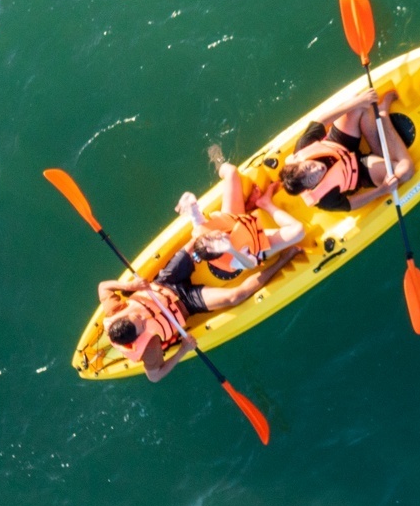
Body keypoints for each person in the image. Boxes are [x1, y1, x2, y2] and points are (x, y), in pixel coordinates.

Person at [97, 250, 289, 381]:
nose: (141, 317)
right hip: (187, 303)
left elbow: (103, 286)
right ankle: (283, 259)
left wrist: (130, 287)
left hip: (166, 282)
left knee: (192, 246)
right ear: (140, 335)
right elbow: (154, 376)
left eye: (135, 316)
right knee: (235, 296)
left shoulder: (114, 311)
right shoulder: (150, 347)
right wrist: (183, 350)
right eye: (141, 324)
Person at [246, 88, 416, 215]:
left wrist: (357, 102)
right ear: (310, 187)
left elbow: (322, 120)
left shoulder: (302, 147)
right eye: (312, 178)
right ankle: (383, 116)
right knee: (405, 171)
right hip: (358, 171)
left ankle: (379, 147)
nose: (316, 169)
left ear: (300, 162)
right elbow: (350, 204)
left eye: (307, 167)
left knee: (361, 104)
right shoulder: (324, 199)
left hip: (340, 144)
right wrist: (382, 190)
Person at [178, 144, 307, 280]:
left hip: (234, 220)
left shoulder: (201, 231)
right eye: (220, 240)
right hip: (254, 243)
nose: (220, 235)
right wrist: (231, 249)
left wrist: (190, 202)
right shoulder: (232, 259)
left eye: (213, 235)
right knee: (298, 231)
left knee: (231, 172)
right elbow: (250, 264)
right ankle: (265, 203)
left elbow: (195, 214)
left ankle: (214, 156)